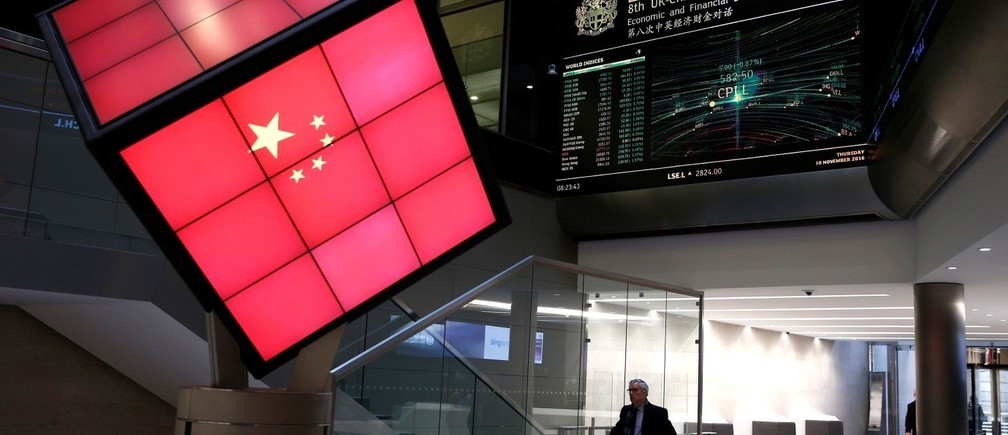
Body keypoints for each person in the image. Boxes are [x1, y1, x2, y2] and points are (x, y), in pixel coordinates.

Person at [611, 378, 677, 435]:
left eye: (635, 390)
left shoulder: (658, 413)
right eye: (630, 390)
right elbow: (617, 431)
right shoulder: (626, 410)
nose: (631, 393)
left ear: (645, 392)